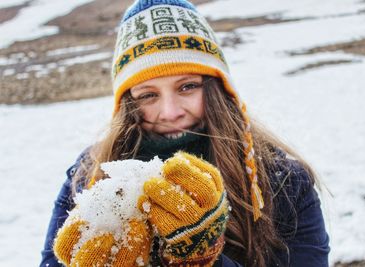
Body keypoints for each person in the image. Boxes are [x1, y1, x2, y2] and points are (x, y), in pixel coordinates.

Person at [40, 0, 330, 266]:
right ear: (127, 103)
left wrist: (206, 259)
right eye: (147, 95)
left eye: (187, 86)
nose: (170, 111)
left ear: (218, 88)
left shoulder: (282, 182)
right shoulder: (89, 173)